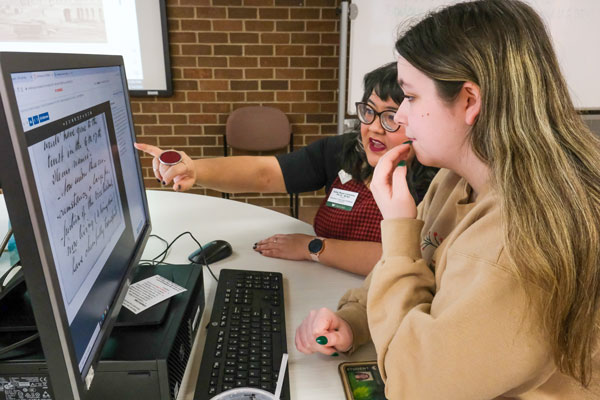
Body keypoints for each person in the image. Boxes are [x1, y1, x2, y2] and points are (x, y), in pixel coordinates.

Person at [294, 0, 600, 398]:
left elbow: (417, 386)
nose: (399, 117)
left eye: (411, 97)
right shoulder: (454, 181)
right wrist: (353, 319)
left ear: (470, 100)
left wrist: (400, 228)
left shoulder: (520, 239)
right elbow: (418, 271)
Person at [135, 62, 437, 276]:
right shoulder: (345, 151)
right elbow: (265, 173)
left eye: (391, 118)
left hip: (384, 301)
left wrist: (313, 247)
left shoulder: (437, 179)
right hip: (326, 280)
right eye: (368, 112)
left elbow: (402, 256)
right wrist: (196, 171)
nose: (374, 129)